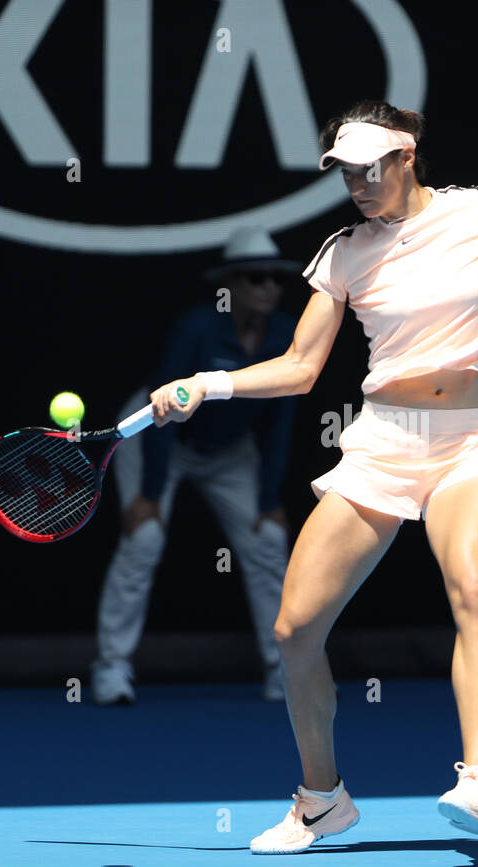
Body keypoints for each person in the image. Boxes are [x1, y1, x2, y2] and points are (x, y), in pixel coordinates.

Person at [148, 100, 478, 852]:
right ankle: (321, 799)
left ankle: (474, 776)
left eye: (367, 167)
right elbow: (300, 368)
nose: (355, 183)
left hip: (466, 443)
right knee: (294, 629)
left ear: (407, 155)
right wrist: (207, 385)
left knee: (473, 590)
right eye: (345, 171)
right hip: (382, 446)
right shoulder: (345, 252)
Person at [91, 227, 299, 705]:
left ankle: (284, 672)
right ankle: (111, 669)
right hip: (158, 440)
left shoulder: (286, 334)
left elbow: (281, 421)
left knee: (269, 540)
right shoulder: (198, 327)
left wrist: (269, 500)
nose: (268, 287)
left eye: (275, 279)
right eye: (255, 278)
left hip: (229, 451)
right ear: (231, 285)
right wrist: (149, 493)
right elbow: (163, 415)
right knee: (143, 538)